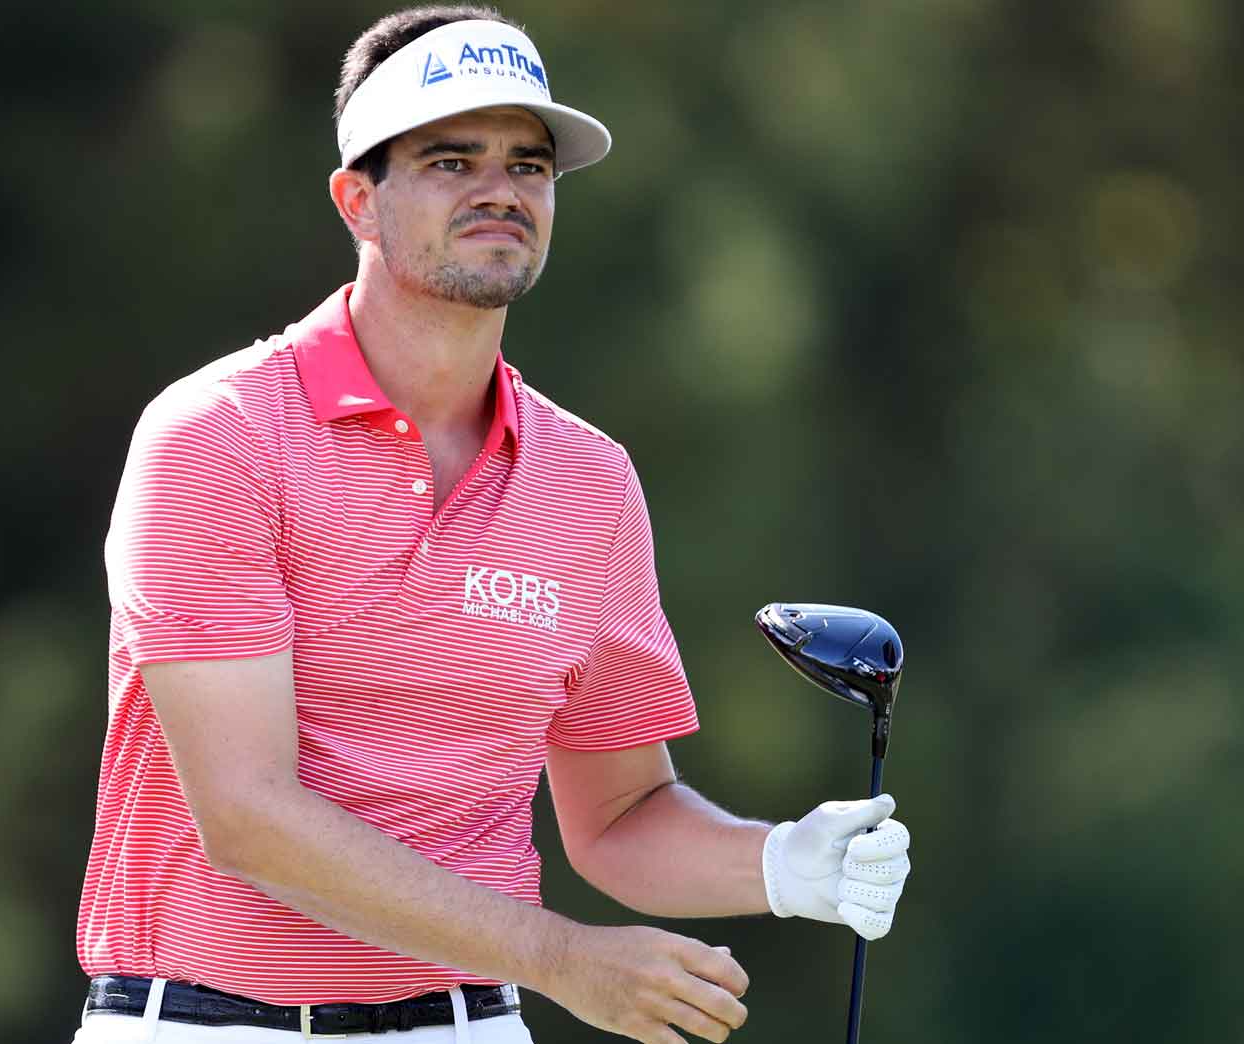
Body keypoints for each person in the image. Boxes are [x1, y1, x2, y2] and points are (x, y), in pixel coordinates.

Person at [73, 7, 913, 1043]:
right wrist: (562, 958)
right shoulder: (218, 436)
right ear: (357, 200)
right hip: (210, 1026)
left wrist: (783, 861)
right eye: (448, 158)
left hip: (467, 1024)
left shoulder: (588, 482)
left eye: (529, 164)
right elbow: (246, 817)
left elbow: (615, 816)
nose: (499, 190)